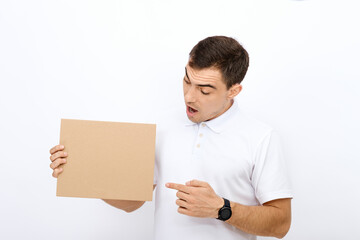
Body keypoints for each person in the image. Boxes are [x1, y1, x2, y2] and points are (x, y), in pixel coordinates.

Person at [49, 36, 292, 239]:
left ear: (233, 90)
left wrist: (221, 209)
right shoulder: (161, 125)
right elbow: (132, 202)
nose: (189, 96)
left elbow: (281, 223)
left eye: (204, 90)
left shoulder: (261, 137)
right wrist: (82, 171)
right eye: (187, 81)